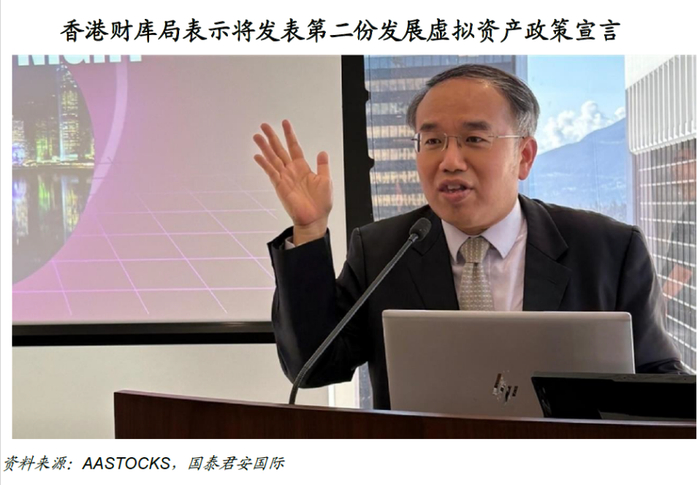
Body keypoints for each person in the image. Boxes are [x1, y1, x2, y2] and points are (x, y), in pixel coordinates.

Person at [253, 64, 683, 410]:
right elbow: (313, 366)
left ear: (524, 156)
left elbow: (658, 376)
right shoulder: (383, 249)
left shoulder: (607, 248)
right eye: (432, 141)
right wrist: (309, 230)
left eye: (474, 138)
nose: (450, 160)